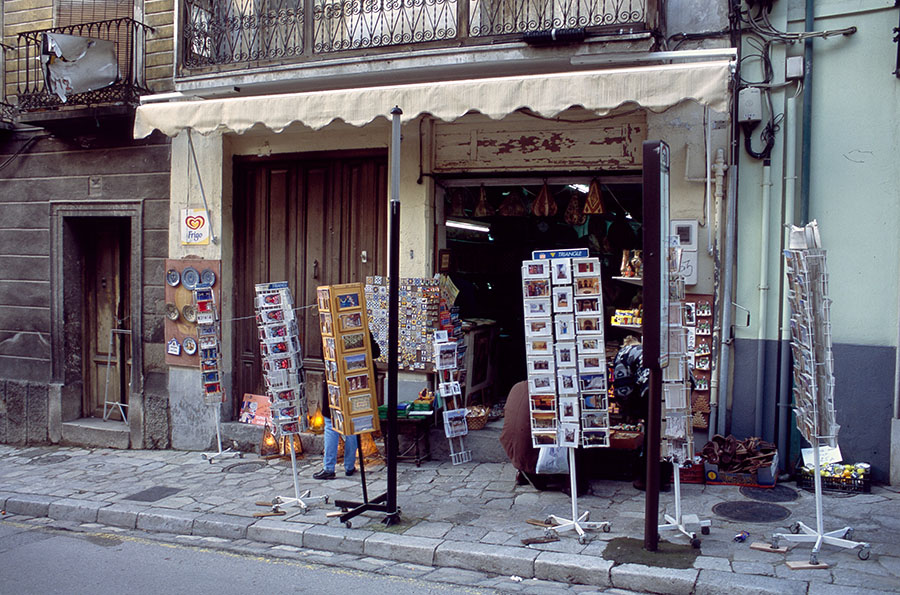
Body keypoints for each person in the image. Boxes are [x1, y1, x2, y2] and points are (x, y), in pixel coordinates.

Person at [313, 331, 381, 480]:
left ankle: (329, 468)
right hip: (357, 382)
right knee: (352, 422)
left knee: (331, 423)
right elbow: (375, 352)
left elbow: (324, 357)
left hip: (335, 381)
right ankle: (349, 466)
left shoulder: (329, 331)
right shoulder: (361, 329)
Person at [499, 381, 587, 494]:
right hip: (535, 458)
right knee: (573, 434)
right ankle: (570, 484)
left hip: (514, 451)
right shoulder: (551, 393)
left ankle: (522, 473)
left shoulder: (518, 386)